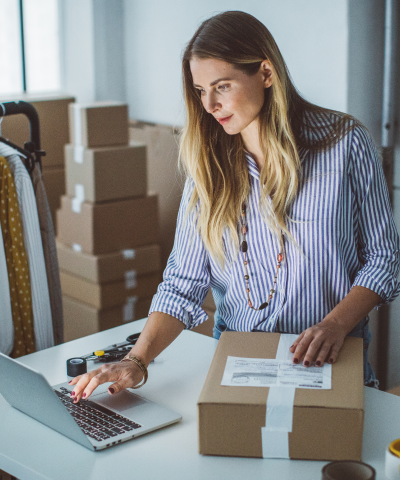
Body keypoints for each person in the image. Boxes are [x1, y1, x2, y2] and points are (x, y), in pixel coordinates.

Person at [69, 11, 400, 401]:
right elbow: (182, 285)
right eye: (199, 90)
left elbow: (385, 258)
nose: (209, 104)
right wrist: (137, 361)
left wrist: (334, 325)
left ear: (265, 72)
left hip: (330, 360)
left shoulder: (346, 144)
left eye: (221, 86)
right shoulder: (207, 166)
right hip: (240, 365)